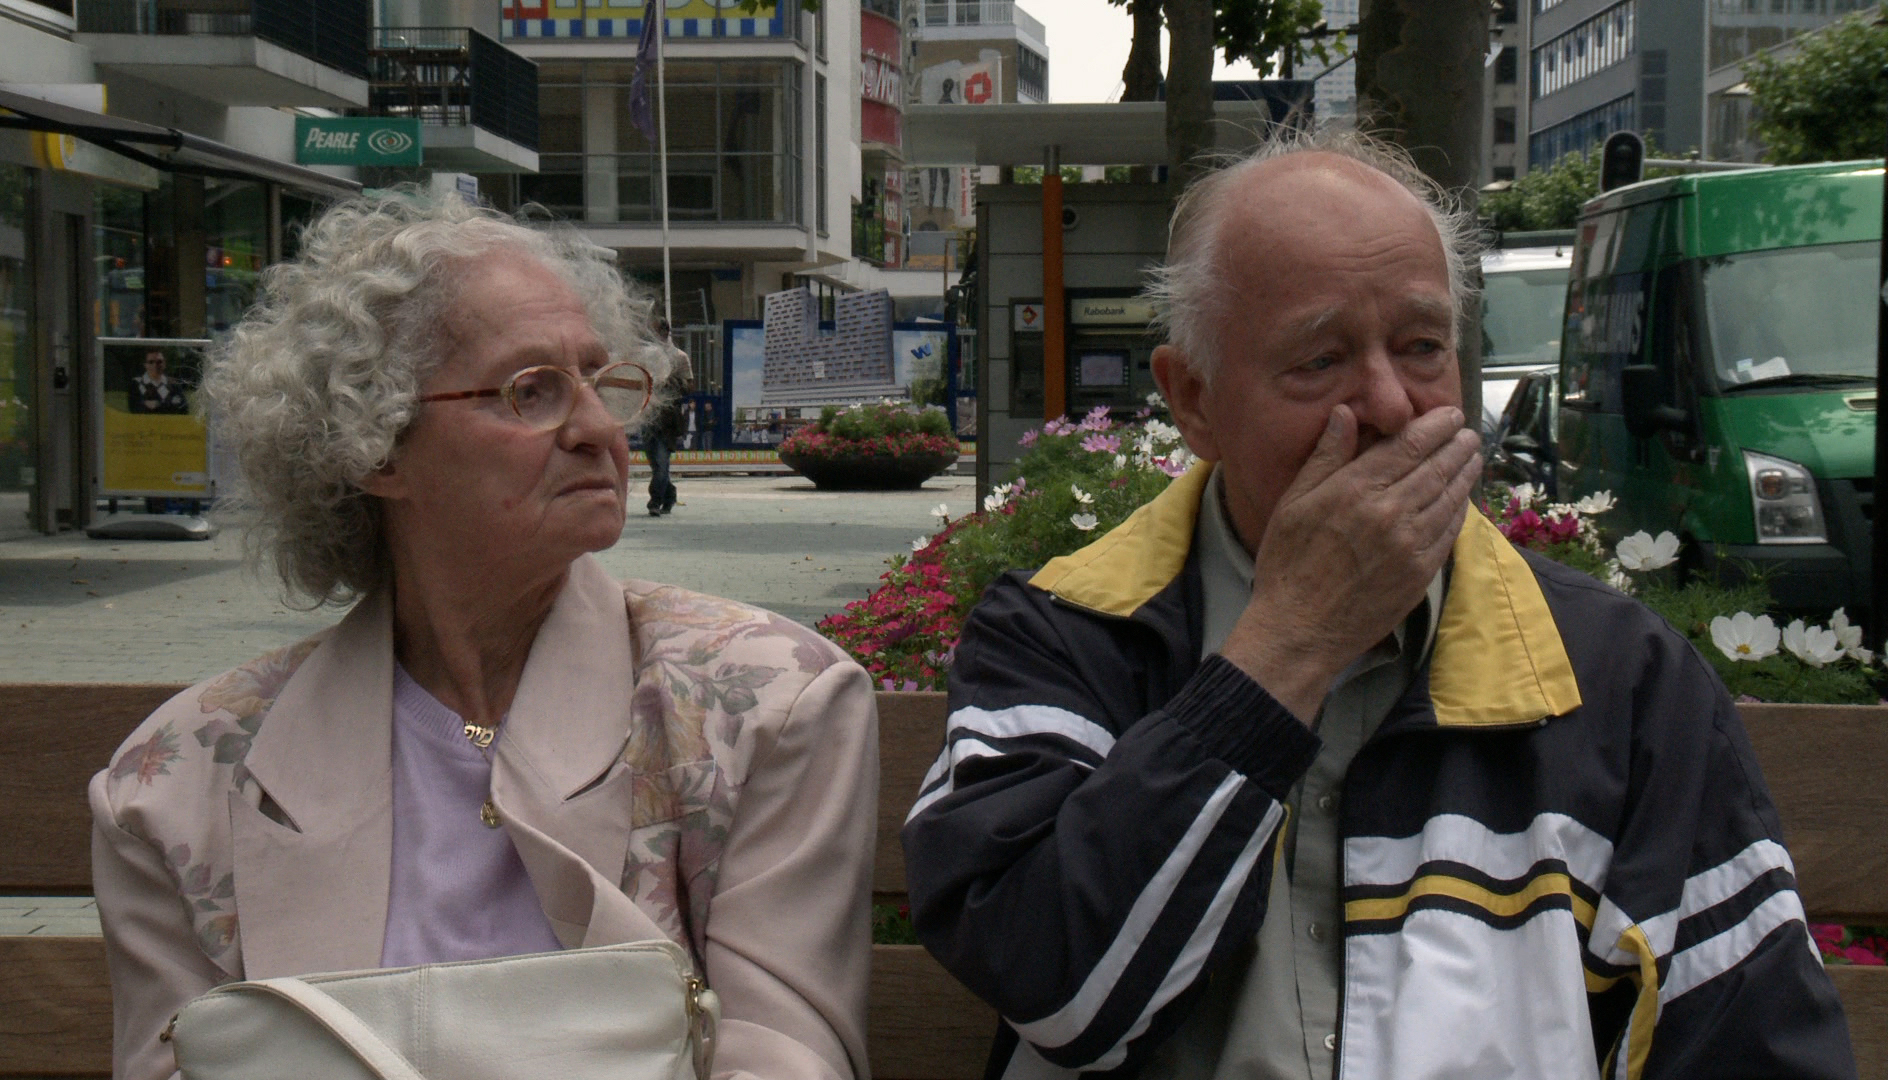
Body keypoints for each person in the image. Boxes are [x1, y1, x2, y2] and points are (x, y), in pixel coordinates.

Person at [900, 131, 1856, 1080]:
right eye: (1320, 360)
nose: (1393, 404)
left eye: (1423, 347)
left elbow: (1754, 1043)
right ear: (1194, 401)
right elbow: (1058, 993)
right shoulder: (1065, 633)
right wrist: (1291, 640)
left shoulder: (1617, 675)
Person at [91, 191, 877, 1080]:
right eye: (530, 392)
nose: (597, 430)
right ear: (376, 447)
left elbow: (783, 1059)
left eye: (600, 380)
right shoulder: (178, 785)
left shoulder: (768, 706)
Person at [644, 322, 692, 516]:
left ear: (665, 332)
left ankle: (655, 501)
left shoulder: (679, 357)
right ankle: (670, 494)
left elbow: (689, 386)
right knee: (655, 463)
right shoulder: (647, 356)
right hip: (649, 416)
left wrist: (671, 381)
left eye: (658, 331)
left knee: (661, 461)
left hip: (668, 419)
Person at [128, 349, 189, 414]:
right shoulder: (136, 383)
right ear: (145, 365)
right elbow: (134, 408)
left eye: (159, 362)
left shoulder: (173, 384)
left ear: (164, 363)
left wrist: (158, 404)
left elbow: (183, 408)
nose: (155, 365)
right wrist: (169, 404)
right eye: (151, 362)